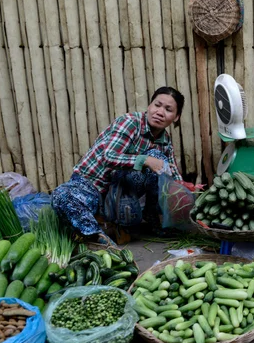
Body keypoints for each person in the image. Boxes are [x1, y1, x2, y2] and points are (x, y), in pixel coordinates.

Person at [52, 86, 190, 245]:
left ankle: (152, 218)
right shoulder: (130, 123)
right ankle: (96, 236)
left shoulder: (164, 141)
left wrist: (186, 190)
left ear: (176, 117)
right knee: (60, 196)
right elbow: (109, 157)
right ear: (149, 106)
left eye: (168, 109)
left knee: (158, 159)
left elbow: (173, 173)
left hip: (121, 190)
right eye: (157, 105)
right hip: (90, 185)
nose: (160, 112)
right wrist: (144, 160)